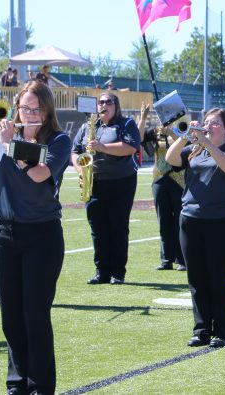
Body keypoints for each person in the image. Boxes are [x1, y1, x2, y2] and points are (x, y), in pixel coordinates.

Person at [0, 80, 72, 394]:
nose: (29, 114)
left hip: (42, 235)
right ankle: (17, 381)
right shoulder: (4, 139)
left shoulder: (58, 140)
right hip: (2, 234)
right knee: (10, 315)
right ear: (15, 108)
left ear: (46, 110)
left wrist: (9, 144)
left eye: (35, 109)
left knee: (35, 314)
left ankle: (40, 383)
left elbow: (38, 174)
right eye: (24, 108)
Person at [165, 108, 225, 348]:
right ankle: (201, 329)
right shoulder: (194, 150)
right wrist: (185, 136)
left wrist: (209, 145)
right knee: (197, 278)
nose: (209, 126)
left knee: (218, 278)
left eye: (215, 124)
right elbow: (170, 159)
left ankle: (221, 331)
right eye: (207, 122)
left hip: (222, 221)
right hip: (191, 219)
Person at [71, 92, 141, 285]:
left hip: (121, 181)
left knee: (118, 227)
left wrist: (102, 147)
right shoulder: (88, 126)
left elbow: (131, 147)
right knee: (98, 228)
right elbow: (75, 151)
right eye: (100, 102)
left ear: (115, 105)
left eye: (107, 102)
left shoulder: (126, 124)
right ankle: (101, 272)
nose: (103, 105)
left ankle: (118, 273)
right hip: (94, 182)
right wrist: (80, 170)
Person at [138, 102, 186, 271]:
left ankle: (182, 259)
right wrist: (143, 118)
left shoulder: (182, 127)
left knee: (179, 220)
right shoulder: (156, 132)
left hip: (178, 179)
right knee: (163, 220)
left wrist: (171, 131)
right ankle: (166, 259)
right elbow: (139, 138)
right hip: (159, 178)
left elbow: (183, 145)